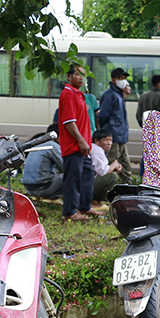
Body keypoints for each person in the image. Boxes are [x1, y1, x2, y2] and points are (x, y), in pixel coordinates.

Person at [59, 64, 102, 221]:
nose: (80, 78)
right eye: (77, 74)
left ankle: (84, 206)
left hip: (83, 147)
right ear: (69, 76)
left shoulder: (79, 94)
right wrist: (82, 141)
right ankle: (69, 212)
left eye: (82, 75)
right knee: (73, 179)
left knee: (87, 174)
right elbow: (69, 122)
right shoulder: (68, 94)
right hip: (74, 146)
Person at [97, 67, 133, 183]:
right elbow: (103, 116)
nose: (124, 81)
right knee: (109, 165)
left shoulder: (119, 95)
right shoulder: (109, 95)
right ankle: (102, 189)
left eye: (124, 78)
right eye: (120, 78)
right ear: (114, 80)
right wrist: (107, 132)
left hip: (121, 137)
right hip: (113, 137)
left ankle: (128, 190)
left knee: (126, 167)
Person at [21, 133, 64, 198]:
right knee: (73, 173)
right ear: (59, 137)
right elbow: (65, 167)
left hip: (28, 188)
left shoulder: (38, 145)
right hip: (42, 188)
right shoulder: (53, 146)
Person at [90, 128, 121, 202]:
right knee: (112, 176)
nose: (109, 143)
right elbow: (103, 172)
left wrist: (113, 167)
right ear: (96, 141)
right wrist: (114, 165)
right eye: (105, 140)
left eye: (110, 140)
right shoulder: (97, 150)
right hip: (85, 186)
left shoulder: (95, 148)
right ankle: (96, 201)